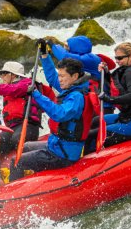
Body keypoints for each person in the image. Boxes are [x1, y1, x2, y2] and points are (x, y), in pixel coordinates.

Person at [8, 52, 96, 182]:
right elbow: (51, 76)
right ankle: (32, 178)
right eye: (59, 75)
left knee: (16, 161)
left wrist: (36, 94)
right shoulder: (71, 87)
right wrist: (44, 55)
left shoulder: (76, 97)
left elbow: (59, 114)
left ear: (75, 76)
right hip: (56, 145)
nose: (59, 79)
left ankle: (14, 194)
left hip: (62, 154)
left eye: (62, 76)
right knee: (25, 147)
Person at [88, 42, 131, 151]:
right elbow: (118, 87)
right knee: (96, 121)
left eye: (120, 58)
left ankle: (87, 160)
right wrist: (106, 72)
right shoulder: (128, 69)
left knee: (94, 134)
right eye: (116, 58)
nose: (117, 61)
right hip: (127, 117)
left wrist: (110, 99)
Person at [0, 61, 47, 154]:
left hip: (28, 125)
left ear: (13, 75)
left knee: (17, 140)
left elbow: (12, 90)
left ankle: (25, 163)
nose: (1, 77)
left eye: (4, 74)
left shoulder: (27, 84)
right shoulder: (9, 88)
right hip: (12, 127)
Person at [50, 35, 112, 112]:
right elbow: (53, 79)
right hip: (94, 105)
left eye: (68, 47)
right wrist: (45, 56)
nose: (66, 49)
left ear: (77, 47)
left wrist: (53, 45)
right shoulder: (87, 59)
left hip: (103, 106)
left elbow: (65, 56)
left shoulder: (91, 59)